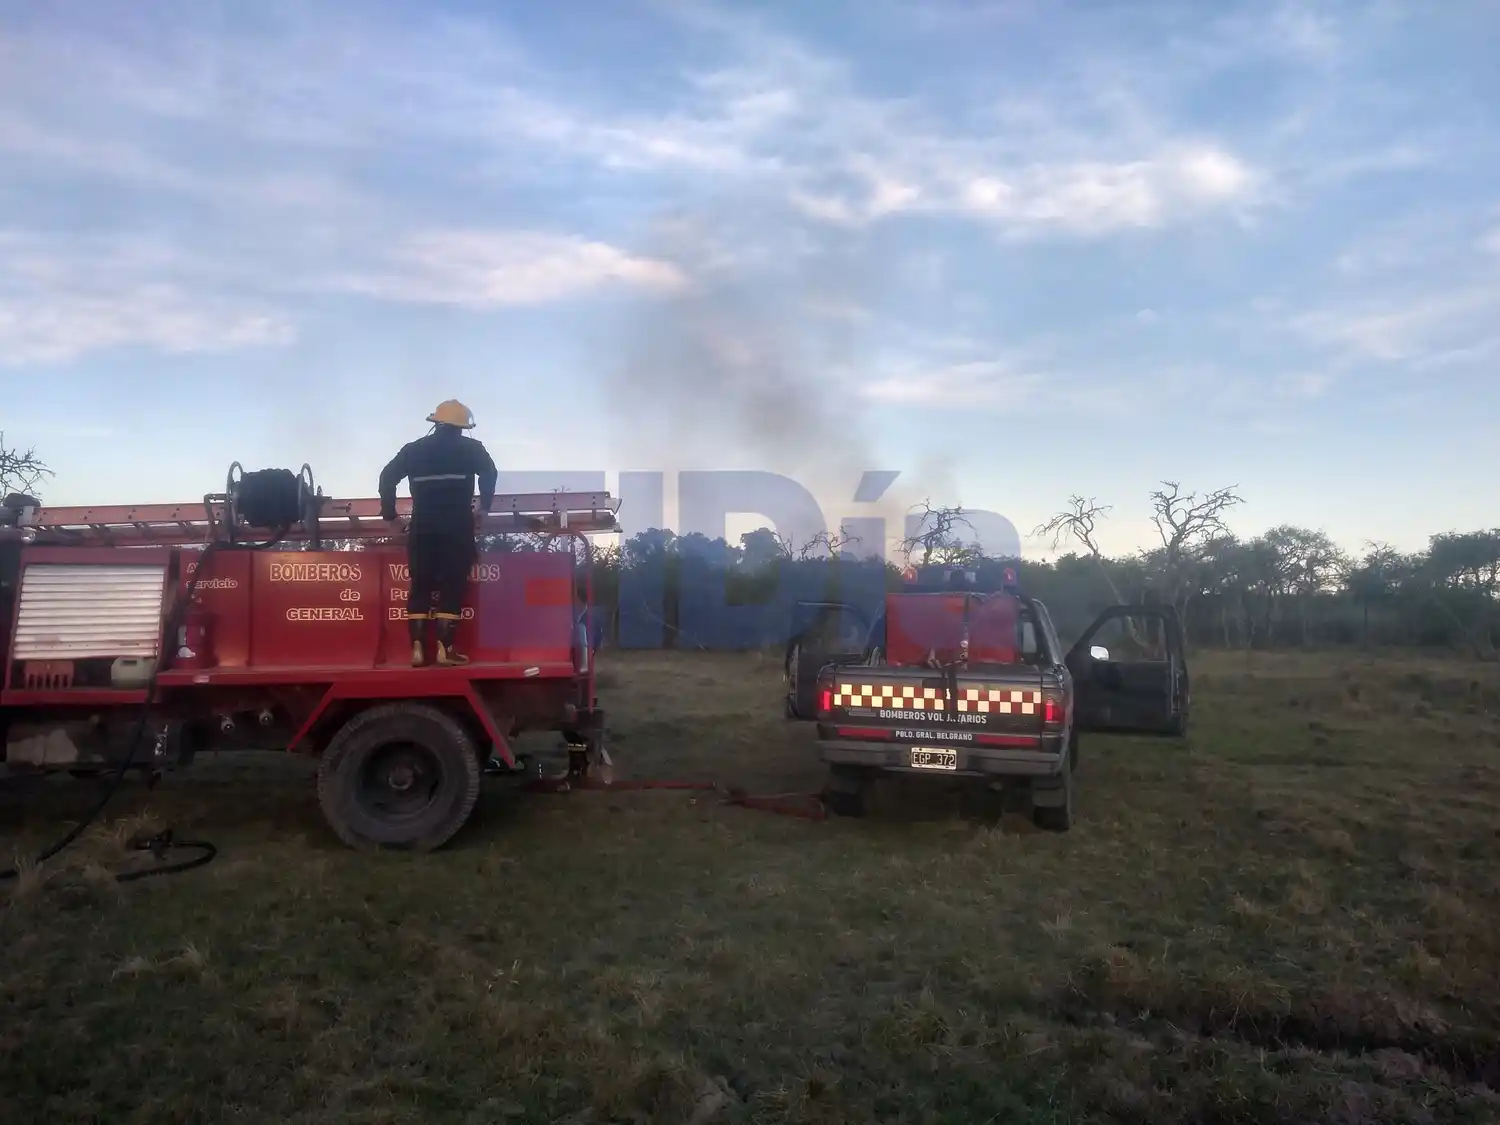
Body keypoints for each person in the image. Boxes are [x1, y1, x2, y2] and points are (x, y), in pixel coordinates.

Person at [378, 399, 498, 667]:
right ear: (462, 428)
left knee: (420, 584)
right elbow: (490, 473)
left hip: (423, 527)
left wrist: (391, 516)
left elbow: (387, 477)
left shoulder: (414, 450)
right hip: (457, 526)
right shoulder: (472, 449)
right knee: (452, 584)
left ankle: (418, 651)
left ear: (436, 423)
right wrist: (484, 507)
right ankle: (446, 650)